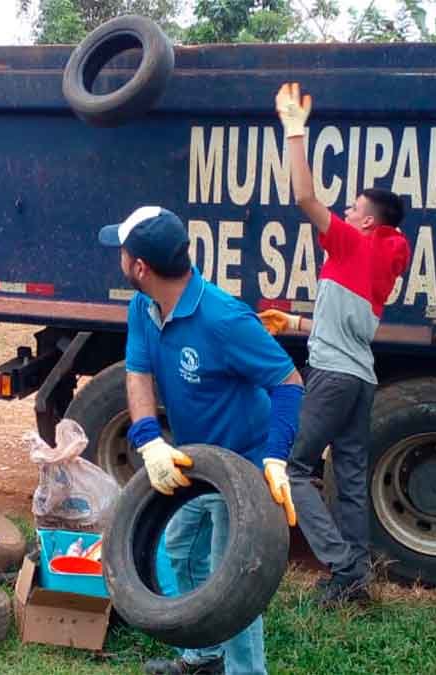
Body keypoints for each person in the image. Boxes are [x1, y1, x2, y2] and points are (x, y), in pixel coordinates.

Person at [98, 206, 305, 675]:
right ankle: (204, 654)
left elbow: (288, 382)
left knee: (232, 583)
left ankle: (245, 671)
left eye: (122, 252)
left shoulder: (222, 318)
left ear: (140, 267)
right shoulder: (143, 306)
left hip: (243, 469)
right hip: (195, 462)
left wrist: (275, 458)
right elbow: (138, 371)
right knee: (179, 548)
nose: (119, 259)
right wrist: (149, 438)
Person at [259, 82, 411, 607]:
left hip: (330, 377)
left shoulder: (352, 243)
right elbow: (346, 324)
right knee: (346, 478)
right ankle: (358, 579)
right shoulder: (384, 258)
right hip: (360, 378)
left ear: (367, 221)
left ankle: (343, 568)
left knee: (295, 467)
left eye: (352, 208)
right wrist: (296, 321)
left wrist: (295, 131)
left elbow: (304, 197)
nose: (344, 213)